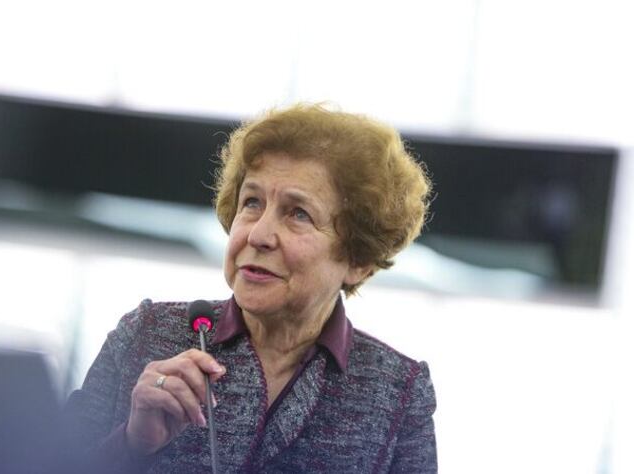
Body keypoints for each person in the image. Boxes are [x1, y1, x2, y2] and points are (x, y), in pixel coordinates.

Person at [63, 104, 436, 473]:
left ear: (358, 260)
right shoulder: (144, 334)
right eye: (252, 203)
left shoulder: (400, 392)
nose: (257, 235)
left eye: (298, 214)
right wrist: (130, 445)